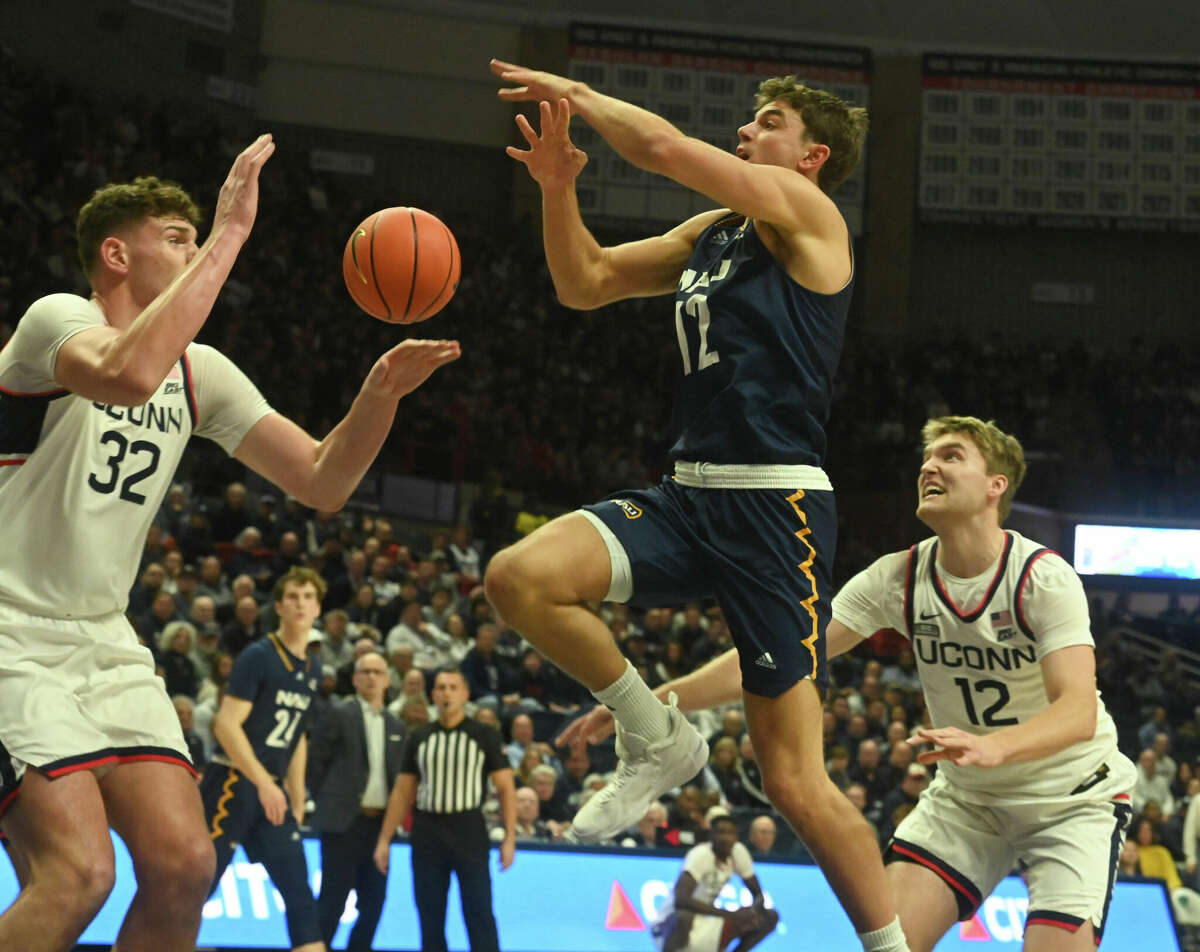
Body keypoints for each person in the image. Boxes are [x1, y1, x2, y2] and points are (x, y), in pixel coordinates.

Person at [482, 60, 905, 952]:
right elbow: (584, 281)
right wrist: (560, 188)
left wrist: (582, 98)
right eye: (751, 120)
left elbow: (668, 147)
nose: (749, 131)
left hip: (774, 506)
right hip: (686, 492)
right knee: (519, 578)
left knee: (794, 779)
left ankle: (890, 945)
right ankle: (656, 736)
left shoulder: (812, 218)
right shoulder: (716, 231)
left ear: (813, 154)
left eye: (770, 121)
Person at [0, 134, 446, 952]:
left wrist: (378, 396)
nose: (194, 244)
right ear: (114, 252)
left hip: (105, 642)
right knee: (79, 876)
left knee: (185, 868)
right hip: (10, 639)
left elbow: (322, 479)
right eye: (175, 235)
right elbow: (128, 372)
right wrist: (232, 233)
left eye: (196, 234)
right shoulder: (57, 321)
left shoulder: (202, 372)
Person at [564, 415, 1137, 952]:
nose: (929, 467)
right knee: (889, 943)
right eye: (927, 458)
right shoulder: (898, 576)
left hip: (1071, 798)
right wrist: (650, 702)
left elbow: (1077, 712)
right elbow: (771, 660)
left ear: (995, 485)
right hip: (970, 802)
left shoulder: (1042, 577)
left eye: (951, 456)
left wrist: (993, 745)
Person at [201, 568, 326, 951]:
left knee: (301, 896)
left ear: (318, 607)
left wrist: (297, 792)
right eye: (292, 596)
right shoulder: (259, 656)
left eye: (308, 596)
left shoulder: (312, 667)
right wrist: (265, 783)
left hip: (271, 792)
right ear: (280, 606)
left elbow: (297, 738)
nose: (300, 603)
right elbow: (226, 725)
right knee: (196, 888)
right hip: (233, 781)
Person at [374, 667, 516, 952]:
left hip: (469, 830)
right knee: (430, 916)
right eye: (441, 687)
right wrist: (384, 839)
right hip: (428, 831)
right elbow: (403, 790)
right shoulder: (419, 737)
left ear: (465, 694)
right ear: (433, 695)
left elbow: (505, 788)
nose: (446, 693)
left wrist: (510, 838)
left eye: (453, 687)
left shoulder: (484, 735)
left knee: (479, 912)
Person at [307, 650, 406, 952]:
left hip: (380, 827)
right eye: (366, 671)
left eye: (378, 672)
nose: (372, 677)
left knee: (374, 903)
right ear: (355, 678)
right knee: (332, 902)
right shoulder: (338, 713)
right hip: (343, 823)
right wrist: (330, 801)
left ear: (388, 680)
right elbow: (314, 764)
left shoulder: (397, 726)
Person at [650, 813, 779, 952]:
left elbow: (758, 894)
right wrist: (730, 915)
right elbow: (681, 900)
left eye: (730, 833)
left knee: (769, 916)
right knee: (685, 917)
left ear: (736, 837)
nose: (726, 838)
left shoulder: (738, 853)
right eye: (721, 832)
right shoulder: (700, 855)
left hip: (707, 919)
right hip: (669, 926)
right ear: (711, 836)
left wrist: (753, 912)